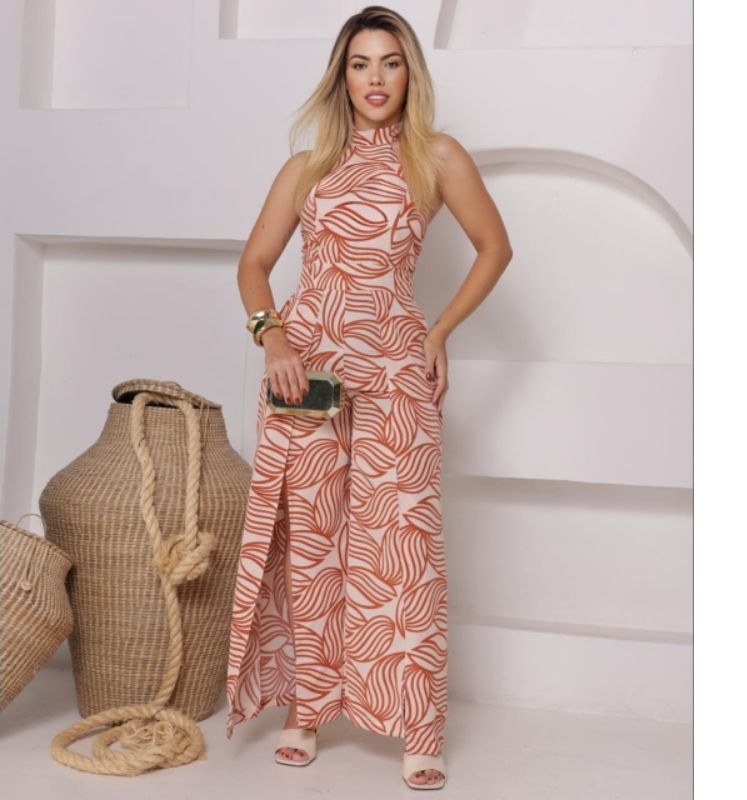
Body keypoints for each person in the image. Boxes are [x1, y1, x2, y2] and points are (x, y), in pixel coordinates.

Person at [225, 5, 512, 791]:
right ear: (340, 76)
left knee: (401, 545)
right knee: (311, 544)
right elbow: (254, 264)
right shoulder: (307, 166)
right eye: (360, 64)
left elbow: (495, 248)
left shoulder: (438, 156)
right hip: (306, 373)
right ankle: (306, 706)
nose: (375, 78)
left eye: (390, 62)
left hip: (395, 369)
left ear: (410, 72)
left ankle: (420, 723)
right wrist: (273, 339)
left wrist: (441, 330)